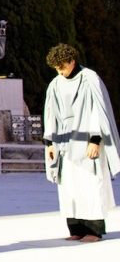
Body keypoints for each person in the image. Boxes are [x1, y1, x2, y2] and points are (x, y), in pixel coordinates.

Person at [43, 43, 120, 243]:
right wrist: (50, 143)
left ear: (71, 61)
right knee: (69, 187)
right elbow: (50, 113)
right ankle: (76, 228)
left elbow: (98, 110)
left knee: (90, 184)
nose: (60, 72)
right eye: (56, 69)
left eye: (62, 67)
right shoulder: (55, 84)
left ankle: (94, 230)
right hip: (65, 145)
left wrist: (95, 140)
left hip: (87, 141)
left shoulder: (89, 79)